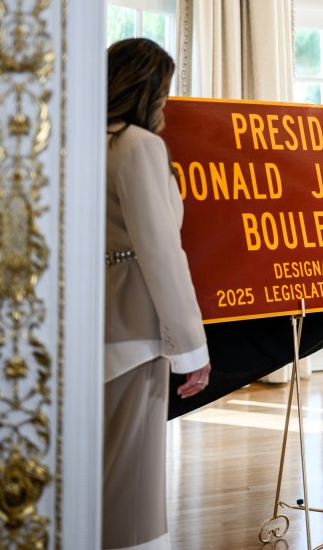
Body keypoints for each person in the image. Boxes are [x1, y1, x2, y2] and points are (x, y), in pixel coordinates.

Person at [104, 38, 210, 550]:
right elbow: (162, 254)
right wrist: (192, 348)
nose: (166, 104)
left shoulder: (74, 140)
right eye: (163, 92)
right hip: (133, 332)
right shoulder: (138, 146)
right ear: (145, 90)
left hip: (82, 325)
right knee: (133, 485)